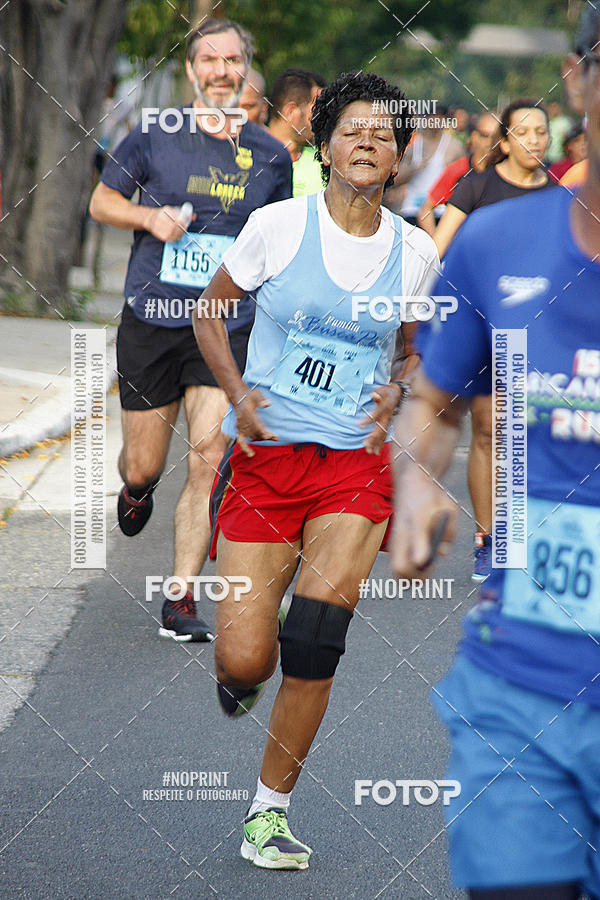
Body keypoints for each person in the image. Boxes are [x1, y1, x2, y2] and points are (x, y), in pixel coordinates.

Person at [193, 71, 438, 869]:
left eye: (384, 133)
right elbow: (209, 310)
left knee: (317, 637)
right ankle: (245, 672)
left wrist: (399, 385)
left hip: (353, 468)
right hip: (266, 461)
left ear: (399, 157)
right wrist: (237, 394)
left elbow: (411, 349)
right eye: (352, 129)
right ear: (327, 146)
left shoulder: (416, 252)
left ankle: (268, 812)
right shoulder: (277, 226)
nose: (368, 140)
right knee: (244, 657)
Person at [391, 3, 600, 896]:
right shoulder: (499, 241)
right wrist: (411, 483)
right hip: (523, 693)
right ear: (579, 77)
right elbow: (431, 401)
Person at [89, 19, 292, 641]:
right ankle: (135, 490)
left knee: (207, 460)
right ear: (192, 71)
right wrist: (150, 219)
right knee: (146, 466)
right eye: (209, 60)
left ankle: (180, 597)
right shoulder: (154, 135)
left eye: (233, 60)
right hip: (153, 319)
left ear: (245, 68)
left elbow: (279, 242)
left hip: (225, 327)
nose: (222, 71)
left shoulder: (270, 155)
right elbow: (102, 204)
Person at [433, 99, 555, 581]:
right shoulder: (478, 186)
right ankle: (490, 539)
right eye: (523, 132)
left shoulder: (561, 196)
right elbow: (439, 252)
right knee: (490, 431)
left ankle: (523, 536)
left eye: (542, 132)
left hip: (542, 330)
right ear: (504, 141)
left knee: (528, 436)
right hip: (486, 327)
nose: (534, 140)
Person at [416, 111, 497, 236]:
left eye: (497, 137)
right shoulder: (458, 170)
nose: (491, 142)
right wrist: (437, 246)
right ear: (474, 137)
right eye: (485, 136)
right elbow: (425, 210)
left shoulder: (508, 171)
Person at [385, 107, 464, 224]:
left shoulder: (454, 147)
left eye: (439, 118)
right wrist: (413, 170)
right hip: (412, 209)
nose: (435, 122)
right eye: (432, 117)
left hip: (439, 211)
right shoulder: (413, 146)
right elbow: (394, 180)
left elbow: (464, 179)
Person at [267, 67, 326, 196]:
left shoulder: (326, 162)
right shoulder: (249, 158)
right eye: (316, 110)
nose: (324, 117)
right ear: (291, 112)